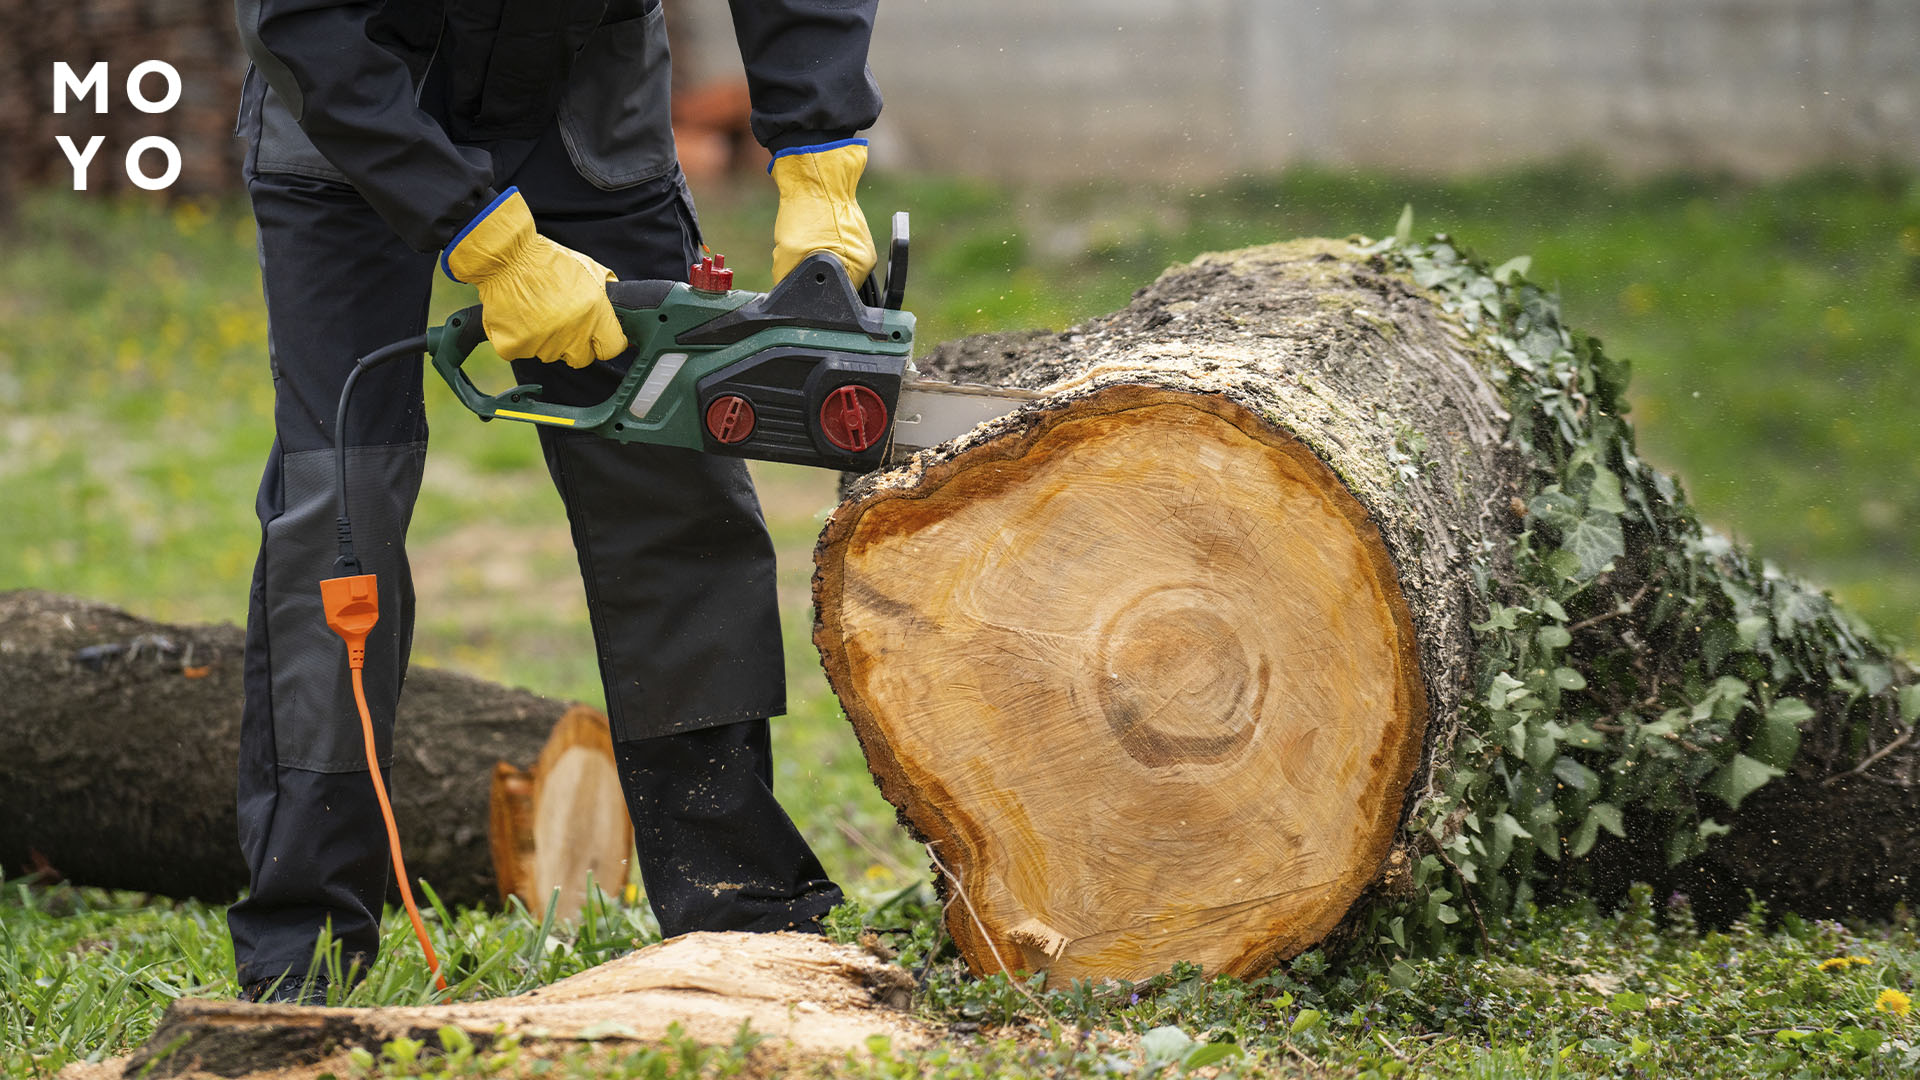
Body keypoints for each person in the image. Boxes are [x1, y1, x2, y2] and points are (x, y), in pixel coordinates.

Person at [227, 0, 881, 1003]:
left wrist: (820, 151)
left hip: (585, 117)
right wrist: (487, 245)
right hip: (354, 117)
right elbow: (304, 20)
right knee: (339, 509)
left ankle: (741, 908)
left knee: (670, 486)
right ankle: (301, 950)